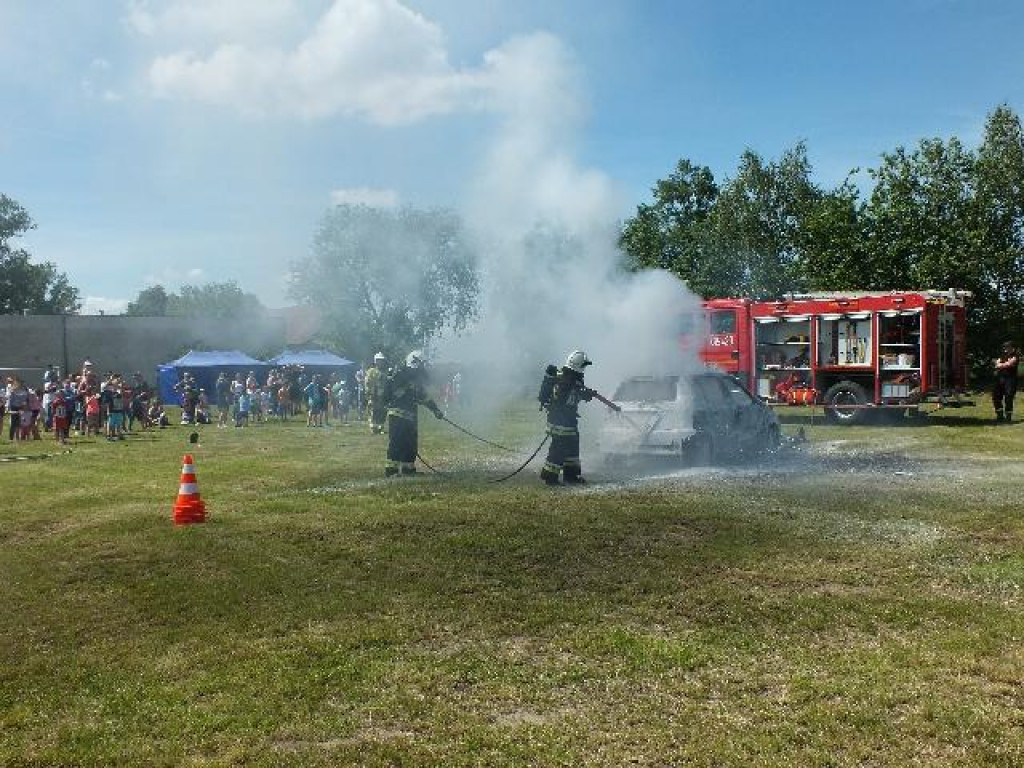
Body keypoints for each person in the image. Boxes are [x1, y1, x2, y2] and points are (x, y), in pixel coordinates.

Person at [539, 350, 595, 486]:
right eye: (584, 365)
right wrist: (582, 394)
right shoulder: (567, 379)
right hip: (560, 422)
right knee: (558, 449)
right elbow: (564, 400)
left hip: (567, 421)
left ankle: (571, 476)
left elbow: (570, 397)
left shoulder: (570, 377)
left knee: (572, 448)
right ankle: (550, 478)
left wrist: (584, 394)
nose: (584, 369)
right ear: (578, 365)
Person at [383, 350, 443, 476]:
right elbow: (394, 395)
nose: (422, 370)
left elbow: (423, 397)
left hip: (410, 417)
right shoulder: (399, 375)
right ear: (415, 363)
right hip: (398, 415)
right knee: (397, 443)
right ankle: (391, 470)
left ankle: (408, 469)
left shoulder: (413, 378)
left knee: (410, 443)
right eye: (420, 366)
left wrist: (435, 410)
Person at [993, 341, 1019, 423]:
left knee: (1008, 397)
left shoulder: (1015, 356)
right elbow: (997, 363)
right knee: (996, 396)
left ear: (1012, 348)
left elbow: (1009, 364)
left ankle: (1008, 416)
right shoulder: (1002, 355)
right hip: (1000, 378)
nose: (1005, 349)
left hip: (1010, 379)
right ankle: (999, 415)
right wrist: (1000, 364)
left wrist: (1000, 365)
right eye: (1005, 347)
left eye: (1007, 347)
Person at [365, 352, 387, 434]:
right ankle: (373, 427)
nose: (380, 362)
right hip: (374, 394)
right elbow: (367, 383)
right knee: (373, 411)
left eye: (382, 360)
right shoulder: (371, 371)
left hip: (383, 395)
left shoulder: (385, 372)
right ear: (375, 361)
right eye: (379, 360)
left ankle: (380, 427)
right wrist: (369, 393)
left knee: (382, 411)